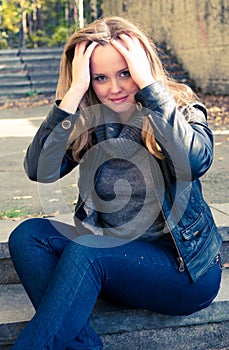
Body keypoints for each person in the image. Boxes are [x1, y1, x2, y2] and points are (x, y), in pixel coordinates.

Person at [9, 16, 223, 350]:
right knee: (28, 236)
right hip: (114, 266)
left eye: (125, 72)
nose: (115, 87)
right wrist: (73, 95)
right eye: (100, 78)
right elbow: (39, 170)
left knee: (86, 252)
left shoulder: (178, 105)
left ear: (142, 65)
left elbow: (195, 162)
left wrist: (151, 90)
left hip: (184, 273)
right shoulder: (89, 119)